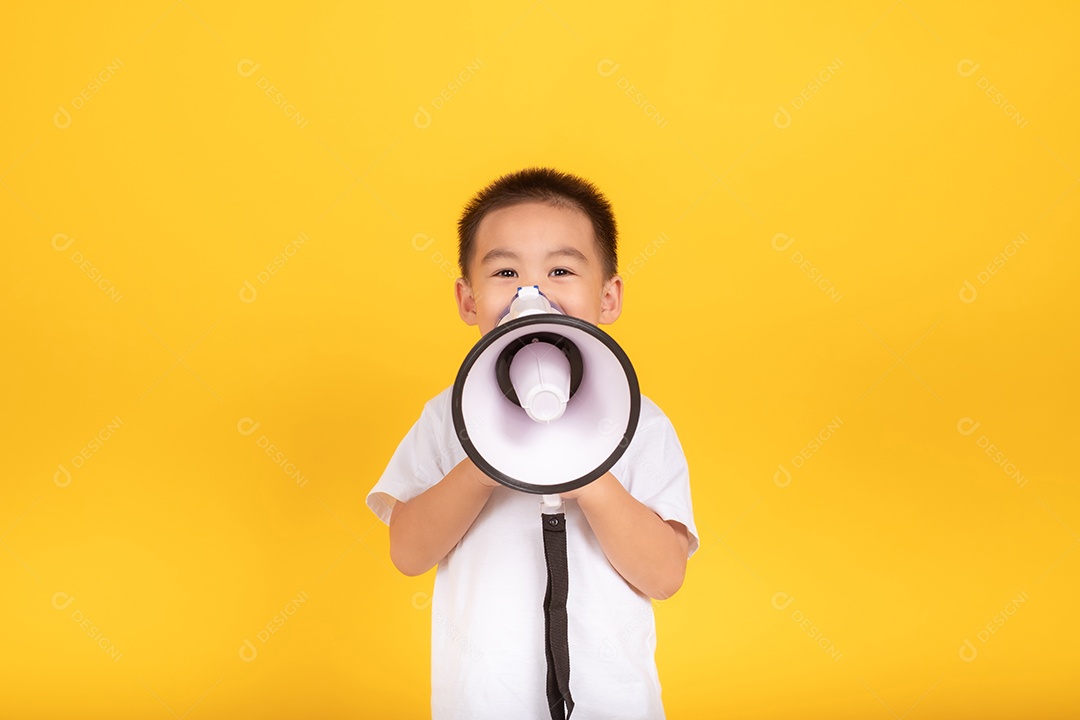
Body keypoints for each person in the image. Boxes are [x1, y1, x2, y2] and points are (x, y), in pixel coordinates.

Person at [367, 167, 698, 719]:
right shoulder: (447, 417)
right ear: (468, 299)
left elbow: (664, 577)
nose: (531, 292)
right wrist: (483, 461)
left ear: (608, 297)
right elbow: (408, 552)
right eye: (505, 272)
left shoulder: (640, 422)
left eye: (560, 270)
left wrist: (586, 472)